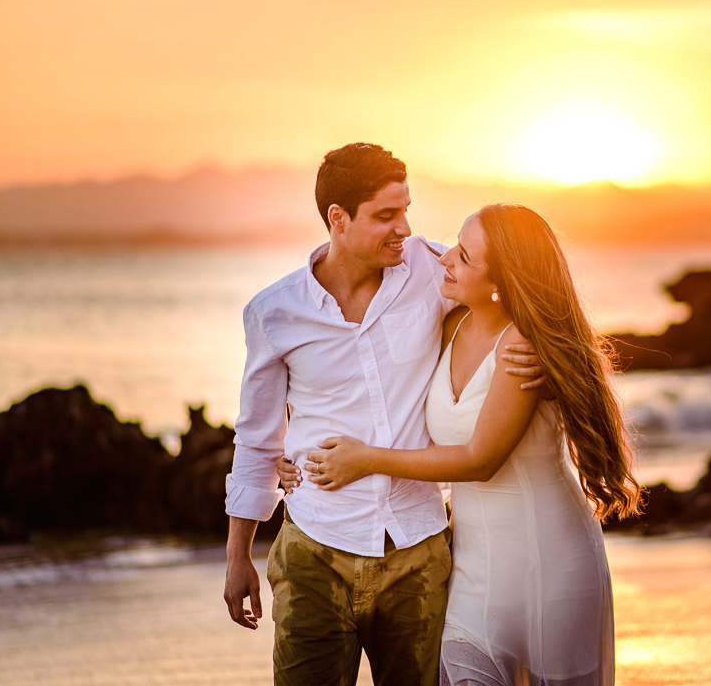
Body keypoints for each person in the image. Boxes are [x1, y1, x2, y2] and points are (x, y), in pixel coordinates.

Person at [280, 203, 641, 686]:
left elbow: (480, 459)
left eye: (465, 256)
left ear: (501, 281)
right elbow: (360, 381)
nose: (447, 258)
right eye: (455, 243)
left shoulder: (522, 347)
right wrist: (294, 452)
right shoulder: (451, 327)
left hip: (548, 561)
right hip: (472, 564)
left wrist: (365, 461)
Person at [223, 144, 544, 686]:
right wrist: (237, 555)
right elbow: (257, 438)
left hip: (419, 553)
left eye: (406, 210)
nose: (405, 229)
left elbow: (507, 277)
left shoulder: (428, 268)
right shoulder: (274, 313)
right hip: (314, 554)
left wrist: (530, 341)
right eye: (386, 216)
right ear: (338, 219)